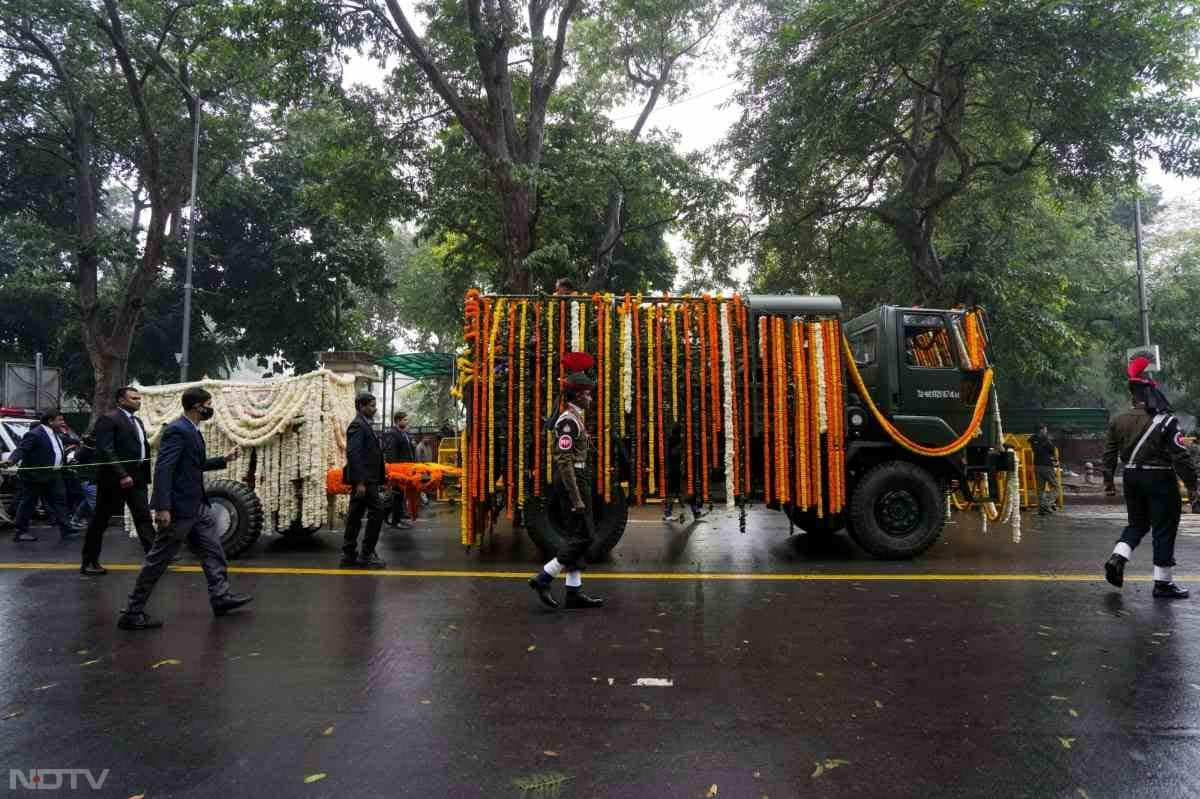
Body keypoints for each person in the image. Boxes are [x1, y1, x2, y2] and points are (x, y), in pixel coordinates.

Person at [117, 387, 252, 629]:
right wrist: (162, 507)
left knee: (213, 552)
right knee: (158, 560)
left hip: (198, 505)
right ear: (197, 406)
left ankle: (220, 597)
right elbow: (164, 469)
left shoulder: (193, 430)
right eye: (208, 404)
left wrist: (225, 459)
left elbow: (194, 465)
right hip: (179, 508)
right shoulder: (178, 430)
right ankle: (132, 611)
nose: (211, 408)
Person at [1103, 357, 1199, 599]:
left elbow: (1109, 454)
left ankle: (1118, 556)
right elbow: (1181, 457)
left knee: (1137, 523)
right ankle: (1163, 583)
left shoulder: (1118, 421)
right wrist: (1193, 486)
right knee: (1164, 528)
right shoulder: (1167, 421)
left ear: (1132, 396)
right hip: (1160, 478)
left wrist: (1108, 483)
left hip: (1131, 476)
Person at [528, 362, 604, 610]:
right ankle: (544, 578)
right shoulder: (568, 422)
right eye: (589, 393)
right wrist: (576, 497)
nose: (591, 397)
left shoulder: (575, 419)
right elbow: (564, 461)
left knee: (575, 535)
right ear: (580, 394)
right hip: (572, 481)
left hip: (578, 479)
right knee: (586, 536)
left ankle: (573, 592)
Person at [81, 387, 157, 575]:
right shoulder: (109, 418)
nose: (138, 401)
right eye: (134, 398)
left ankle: (156, 558)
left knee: (144, 518)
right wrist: (122, 475)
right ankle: (89, 562)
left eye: (139, 398)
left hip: (136, 478)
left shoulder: (136, 420)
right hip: (113, 479)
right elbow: (106, 450)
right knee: (100, 520)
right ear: (121, 400)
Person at [3, 410, 77, 542]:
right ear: (50, 421)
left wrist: (81, 441)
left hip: (54, 475)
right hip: (35, 476)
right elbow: (21, 449)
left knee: (59, 501)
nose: (62, 423)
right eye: (60, 420)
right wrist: (11, 461)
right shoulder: (34, 434)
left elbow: (66, 440)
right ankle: (21, 531)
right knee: (29, 503)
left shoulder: (56, 433)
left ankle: (66, 528)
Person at [341, 392, 387, 569]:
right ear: (361, 406)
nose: (374, 409)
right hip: (365, 481)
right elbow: (354, 454)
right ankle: (366, 554)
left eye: (374, 405)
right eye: (371, 406)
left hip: (368, 479)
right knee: (377, 512)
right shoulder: (358, 425)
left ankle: (349, 554)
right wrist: (360, 482)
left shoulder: (364, 424)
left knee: (355, 515)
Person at [383, 410, 417, 529]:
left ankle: (390, 516)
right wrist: (396, 471)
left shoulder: (405, 433)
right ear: (398, 421)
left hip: (406, 469)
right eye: (405, 420)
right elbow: (392, 455)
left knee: (399, 495)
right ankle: (395, 521)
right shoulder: (393, 434)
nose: (407, 422)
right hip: (398, 470)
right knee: (397, 495)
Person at [1029, 423, 1061, 515]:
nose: (1046, 431)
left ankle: (1041, 509)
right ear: (1042, 430)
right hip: (1046, 465)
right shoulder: (1045, 439)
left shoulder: (1032, 440)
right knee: (1056, 487)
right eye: (1045, 429)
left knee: (1040, 488)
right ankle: (1046, 504)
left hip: (1037, 465)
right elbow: (1052, 449)